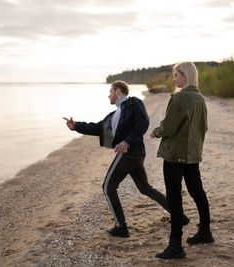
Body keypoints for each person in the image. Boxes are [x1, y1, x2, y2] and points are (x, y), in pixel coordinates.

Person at [64, 80, 189, 238]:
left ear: (118, 91)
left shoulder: (133, 103)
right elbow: (97, 128)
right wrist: (76, 126)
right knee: (145, 189)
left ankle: (121, 227)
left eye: (110, 91)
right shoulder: (114, 115)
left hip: (130, 154)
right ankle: (179, 217)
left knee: (108, 187)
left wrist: (127, 141)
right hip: (135, 156)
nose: (108, 95)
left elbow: (143, 122)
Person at [150, 62, 214, 259]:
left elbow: (169, 126)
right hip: (192, 154)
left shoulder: (179, 98)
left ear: (185, 76)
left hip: (175, 154)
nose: (174, 79)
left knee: (174, 198)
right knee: (197, 192)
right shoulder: (200, 98)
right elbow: (203, 127)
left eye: (176, 75)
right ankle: (205, 232)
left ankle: (175, 245)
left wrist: (156, 131)